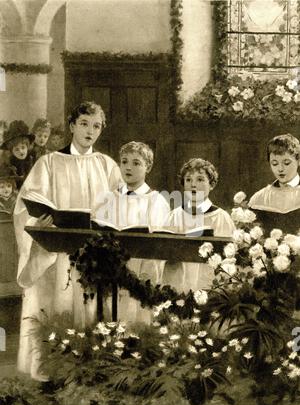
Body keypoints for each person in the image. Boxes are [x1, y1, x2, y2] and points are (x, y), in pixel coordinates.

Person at [14, 101, 122, 380]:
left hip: (95, 252)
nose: (90, 131)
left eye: (96, 126)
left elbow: (122, 205)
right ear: (72, 126)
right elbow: (25, 206)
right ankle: (53, 377)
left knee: (92, 311)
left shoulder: (106, 165)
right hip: (56, 253)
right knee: (59, 308)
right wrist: (42, 221)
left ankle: (91, 376)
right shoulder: (49, 163)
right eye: (84, 124)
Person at [94, 141, 170, 324]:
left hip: (140, 274)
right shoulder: (109, 199)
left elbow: (158, 246)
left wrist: (143, 278)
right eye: (124, 162)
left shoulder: (156, 201)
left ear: (148, 167)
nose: (128, 167)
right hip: (110, 273)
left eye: (136, 163)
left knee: (138, 321)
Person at [162, 158, 235, 293]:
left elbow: (229, 258)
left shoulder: (221, 217)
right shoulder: (174, 216)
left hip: (209, 284)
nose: (193, 185)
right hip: (178, 283)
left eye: (200, 180)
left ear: (211, 184)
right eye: (188, 180)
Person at [248, 134, 300, 234]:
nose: (280, 169)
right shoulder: (259, 198)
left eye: (286, 163)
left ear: (298, 161)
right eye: (274, 163)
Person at [1, 121, 35, 187]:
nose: (21, 151)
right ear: (12, 152)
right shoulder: (10, 164)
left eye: (23, 147)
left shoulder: (30, 160)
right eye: (16, 149)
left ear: (27, 147)